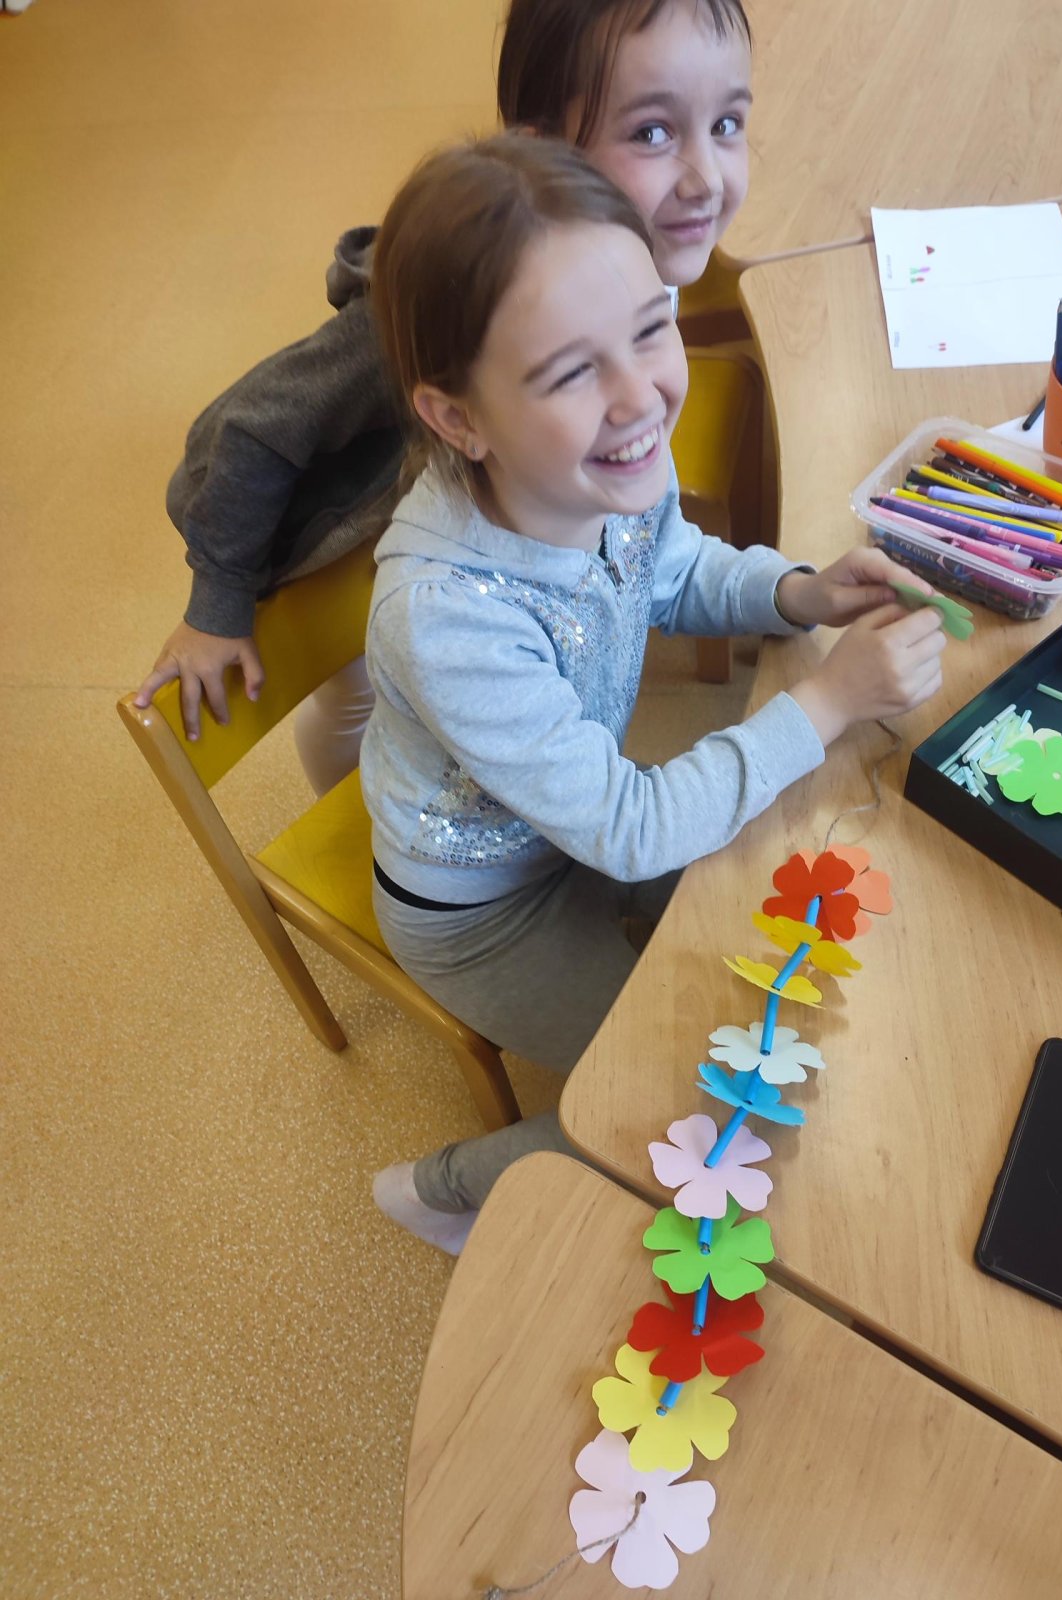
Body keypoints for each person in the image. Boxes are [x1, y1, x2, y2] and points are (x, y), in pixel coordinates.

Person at [363, 134, 945, 1254]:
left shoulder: (611, 454)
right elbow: (631, 829)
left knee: (781, 904)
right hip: (480, 911)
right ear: (458, 420)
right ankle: (446, 1188)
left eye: (650, 326)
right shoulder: (445, 617)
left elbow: (670, 569)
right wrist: (826, 704)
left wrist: (798, 592)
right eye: (569, 371)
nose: (641, 396)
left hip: (574, 821)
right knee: (688, 1097)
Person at [132, 0, 757, 792]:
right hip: (336, 534)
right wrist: (215, 605)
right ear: (542, 147)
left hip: (463, 501)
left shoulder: (632, 248)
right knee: (355, 701)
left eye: (727, 123)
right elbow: (250, 432)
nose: (707, 178)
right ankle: (367, 806)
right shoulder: (425, 326)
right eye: (653, 133)